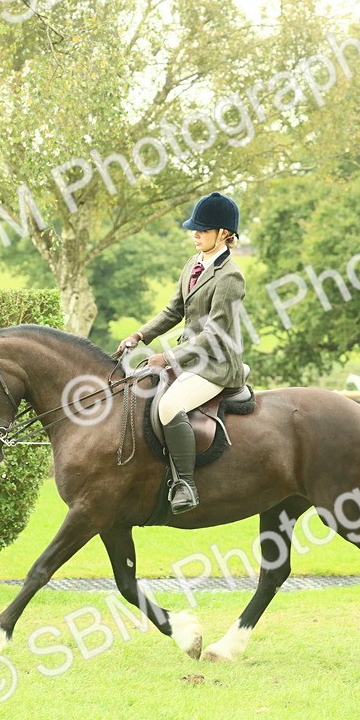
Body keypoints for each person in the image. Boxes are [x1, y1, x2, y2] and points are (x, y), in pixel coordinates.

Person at [118, 192, 247, 514]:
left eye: (203, 230)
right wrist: (140, 335)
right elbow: (172, 310)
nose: (196, 234)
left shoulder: (231, 277)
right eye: (195, 229)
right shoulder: (193, 264)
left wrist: (169, 358)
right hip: (190, 356)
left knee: (171, 404)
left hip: (216, 364)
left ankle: (185, 485)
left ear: (224, 234)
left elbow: (214, 332)